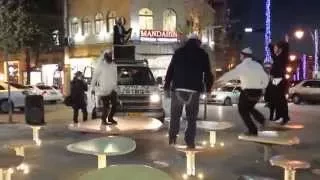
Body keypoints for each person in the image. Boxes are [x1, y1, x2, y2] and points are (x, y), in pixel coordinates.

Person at [164, 34, 213, 149]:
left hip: (178, 89)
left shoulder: (178, 52)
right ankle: (189, 141)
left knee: (175, 115)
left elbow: (170, 70)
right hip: (194, 90)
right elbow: (208, 73)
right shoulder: (203, 54)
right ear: (198, 42)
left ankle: (172, 137)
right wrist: (208, 88)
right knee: (191, 118)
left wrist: (167, 86)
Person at [215, 48, 269, 136]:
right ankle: (262, 121)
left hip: (247, 92)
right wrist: (263, 87)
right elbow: (265, 78)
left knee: (242, 110)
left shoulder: (242, 67)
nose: (240, 57)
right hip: (258, 92)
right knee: (249, 107)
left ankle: (253, 130)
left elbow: (230, 75)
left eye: (240, 55)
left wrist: (219, 82)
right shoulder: (258, 65)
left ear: (243, 56)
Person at [91, 52, 118, 125]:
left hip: (112, 89)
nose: (110, 58)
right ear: (105, 58)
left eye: (111, 56)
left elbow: (115, 77)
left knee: (115, 105)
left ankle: (110, 118)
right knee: (106, 107)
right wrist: (92, 88)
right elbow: (95, 77)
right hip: (104, 90)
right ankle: (104, 120)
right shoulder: (101, 66)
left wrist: (115, 87)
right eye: (109, 57)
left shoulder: (114, 65)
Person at [269, 35, 290, 125]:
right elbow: (273, 54)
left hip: (279, 80)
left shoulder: (282, 57)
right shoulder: (278, 57)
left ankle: (284, 117)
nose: (274, 49)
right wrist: (271, 46)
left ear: (280, 49)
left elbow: (285, 50)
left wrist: (286, 42)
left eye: (276, 47)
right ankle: (279, 116)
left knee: (280, 99)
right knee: (276, 99)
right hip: (276, 80)